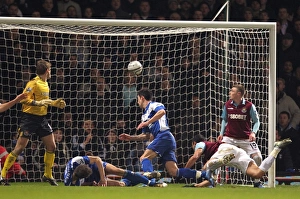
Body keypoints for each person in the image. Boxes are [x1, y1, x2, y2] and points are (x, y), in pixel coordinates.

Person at [119, 88, 206, 183]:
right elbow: (147, 136)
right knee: (173, 171)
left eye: (138, 98)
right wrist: (131, 137)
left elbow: (162, 112)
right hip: (164, 139)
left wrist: (147, 122)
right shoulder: (144, 116)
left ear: (142, 98)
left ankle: (151, 182)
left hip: (164, 135)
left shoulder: (154, 105)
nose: (137, 101)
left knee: (144, 158)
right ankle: (204, 174)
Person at [0, 59, 66, 186]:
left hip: (41, 119)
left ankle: (47, 174)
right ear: (47, 71)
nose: (51, 72)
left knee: (52, 146)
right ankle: (3, 175)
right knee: (19, 148)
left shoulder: (45, 84)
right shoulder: (33, 83)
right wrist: (38, 103)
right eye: (50, 70)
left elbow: (44, 101)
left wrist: (54, 103)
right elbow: (23, 100)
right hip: (29, 119)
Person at [185, 135, 292, 187]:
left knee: (206, 167)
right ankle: (277, 149)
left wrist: (184, 171)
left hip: (224, 149)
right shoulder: (207, 157)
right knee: (258, 174)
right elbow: (212, 181)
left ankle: (221, 161)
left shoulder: (201, 144)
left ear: (194, 143)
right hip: (237, 153)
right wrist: (197, 186)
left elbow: (195, 157)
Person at [217, 84, 263, 188]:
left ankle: (257, 181)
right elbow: (224, 119)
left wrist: (253, 132)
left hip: (245, 138)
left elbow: (257, 121)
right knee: (218, 156)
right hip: (229, 138)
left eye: (232, 91)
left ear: (239, 94)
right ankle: (213, 180)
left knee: (258, 157)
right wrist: (221, 133)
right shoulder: (227, 104)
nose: (230, 93)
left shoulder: (249, 106)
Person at [64, 155, 163, 187]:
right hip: (93, 178)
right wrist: (91, 184)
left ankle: (150, 183)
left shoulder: (75, 161)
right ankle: (145, 175)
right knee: (121, 185)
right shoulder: (70, 183)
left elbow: (97, 159)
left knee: (119, 171)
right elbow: (84, 184)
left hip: (98, 166)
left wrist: (103, 178)